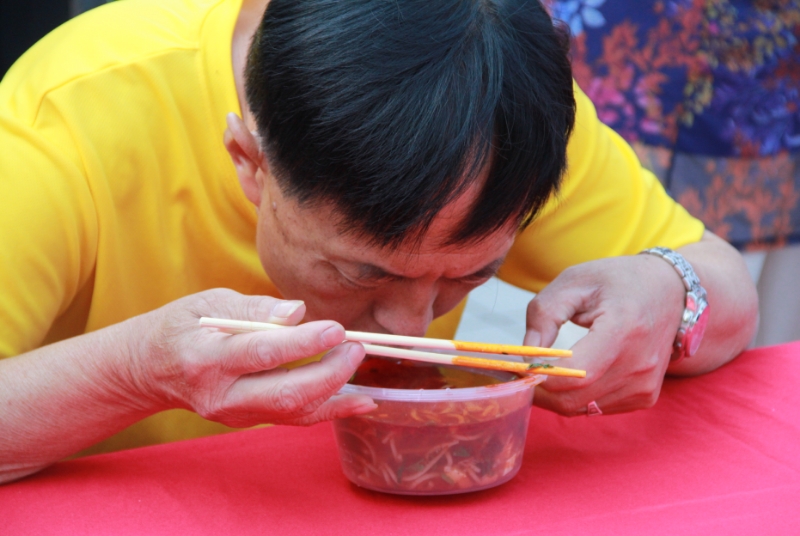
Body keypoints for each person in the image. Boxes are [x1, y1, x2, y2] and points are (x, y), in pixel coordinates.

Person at [0, 0, 757, 484]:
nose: (413, 325)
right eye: (361, 272)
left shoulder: (500, 119)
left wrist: (669, 289)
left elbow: (724, 286)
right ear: (249, 162)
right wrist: (138, 372)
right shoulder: (64, 128)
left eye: (471, 275)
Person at [544, 0, 800, 346]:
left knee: (766, 330)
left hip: (769, 75)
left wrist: (676, 286)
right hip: (627, 50)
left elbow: (732, 294)